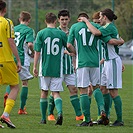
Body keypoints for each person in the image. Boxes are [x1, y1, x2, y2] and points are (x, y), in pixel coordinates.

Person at [67, 12, 124, 127]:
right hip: (96, 62)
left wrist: (75, 53)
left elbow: (69, 45)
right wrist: (121, 41)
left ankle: (87, 119)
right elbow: (104, 38)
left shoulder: (74, 27)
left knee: (83, 90)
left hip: (83, 61)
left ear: (79, 19)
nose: (99, 19)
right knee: (98, 87)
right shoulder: (97, 26)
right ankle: (103, 111)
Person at [47, 9, 83, 121]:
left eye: (66, 19)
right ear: (58, 20)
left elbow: (75, 49)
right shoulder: (55, 31)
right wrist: (65, 51)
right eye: (62, 19)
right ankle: (50, 113)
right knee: (54, 91)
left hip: (69, 67)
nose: (64, 21)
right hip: (57, 67)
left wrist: (75, 62)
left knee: (73, 89)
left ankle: (79, 115)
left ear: (69, 19)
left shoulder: (72, 31)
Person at [33, 12, 67, 125]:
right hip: (57, 68)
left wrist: (34, 66)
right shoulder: (61, 33)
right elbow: (68, 46)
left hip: (45, 67)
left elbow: (37, 52)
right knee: (56, 92)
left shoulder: (41, 33)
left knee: (44, 92)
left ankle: (43, 119)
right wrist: (74, 53)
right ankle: (60, 112)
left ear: (45, 21)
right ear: (55, 21)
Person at [3, 11, 35, 115]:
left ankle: (7, 94)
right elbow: (30, 44)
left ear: (19, 19)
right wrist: (33, 52)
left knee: (12, 81)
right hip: (23, 58)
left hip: (11, 58)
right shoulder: (29, 30)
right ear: (29, 20)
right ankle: (21, 109)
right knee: (24, 83)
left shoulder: (14, 28)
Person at [0, 0, 21, 128]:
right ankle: (6, 115)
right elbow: (11, 42)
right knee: (15, 86)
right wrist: (18, 60)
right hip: (6, 60)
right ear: (5, 10)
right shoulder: (7, 22)